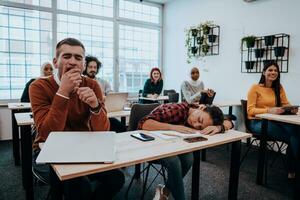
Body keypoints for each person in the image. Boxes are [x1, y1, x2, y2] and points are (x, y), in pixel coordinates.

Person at [29, 38, 124, 200]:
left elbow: (103, 130)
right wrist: (63, 92)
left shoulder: (92, 85)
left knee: (117, 178)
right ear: (56, 62)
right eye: (66, 56)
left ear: (83, 65)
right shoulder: (38, 86)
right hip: (50, 149)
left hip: (83, 145)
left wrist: (95, 106)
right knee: (79, 185)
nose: (73, 62)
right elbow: (46, 134)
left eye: (78, 58)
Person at [138, 102, 234, 200]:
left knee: (188, 158)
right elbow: (144, 124)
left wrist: (219, 127)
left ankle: (165, 191)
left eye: (200, 127)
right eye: (199, 119)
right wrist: (175, 128)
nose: (196, 124)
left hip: (170, 145)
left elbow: (230, 122)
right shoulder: (176, 110)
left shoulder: (204, 113)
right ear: (201, 107)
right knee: (174, 161)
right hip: (149, 144)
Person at [247, 61, 300, 179]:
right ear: (263, 72)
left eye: (275, 70)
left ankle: (292, 170)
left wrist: (292, 110)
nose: (273, 72)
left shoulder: (279, 88)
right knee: (293, 137)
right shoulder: (254, 88)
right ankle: (292, 170)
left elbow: (286, 103)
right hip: (257, 122)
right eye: (270, 70)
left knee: (296, 131)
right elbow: (250, 110)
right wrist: (269, 110)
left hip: (275, 120)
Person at [83, 55, 126, 133]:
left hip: (103, 112)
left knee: (121, 127)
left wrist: (105, 97)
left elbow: (112, 95)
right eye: (90, 67)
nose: (93, 69)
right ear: (85, 67)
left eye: (95, 67)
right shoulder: (81, 82)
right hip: (86, 116)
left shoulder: (103, 82)